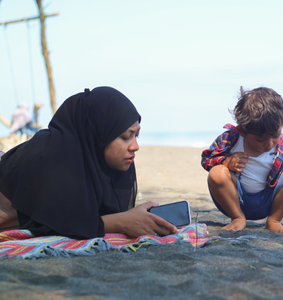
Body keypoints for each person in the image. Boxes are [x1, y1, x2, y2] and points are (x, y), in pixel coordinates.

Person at [0, 87, 177, 239]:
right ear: (98, 135)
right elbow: (54, 222)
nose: (135, 146)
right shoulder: (51, 156)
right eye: (125, 137)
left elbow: (84, 215)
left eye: (136, 136)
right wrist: (122, 221)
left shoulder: (91, 164)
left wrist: (131, 218)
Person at [201, 87, 283, 233]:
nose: (269, 144)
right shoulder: (231, 139)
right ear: (243, 131)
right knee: (217, 172)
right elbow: (206, 159)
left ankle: (274, 221)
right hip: (234, 200)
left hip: (268, 202)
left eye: (275, 136)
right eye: (260, 139)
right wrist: (225, 162)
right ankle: (238, 218)